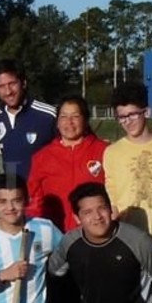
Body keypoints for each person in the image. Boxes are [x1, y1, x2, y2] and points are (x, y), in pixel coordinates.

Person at [103, 81, 152, 259]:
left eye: (132, 115)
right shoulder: (111, 152)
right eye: (121, 117)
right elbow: (113, 201)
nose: (127, 122)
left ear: (146, 112)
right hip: (127, 243)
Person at [26, 94, 107, 231]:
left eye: (75, 116)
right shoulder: (42, 157)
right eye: (63, 117)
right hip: (56, 233)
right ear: (57, 122)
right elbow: (35, 201)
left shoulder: (104, 151)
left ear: (85, 120)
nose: (69, 122)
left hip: (95, 232)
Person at [0, 59, 57, 179]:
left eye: (12, 83)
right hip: (13, 190)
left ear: (23, 83)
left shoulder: (49, 116)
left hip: (45, 190)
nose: (8, 91)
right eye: (1, 86)